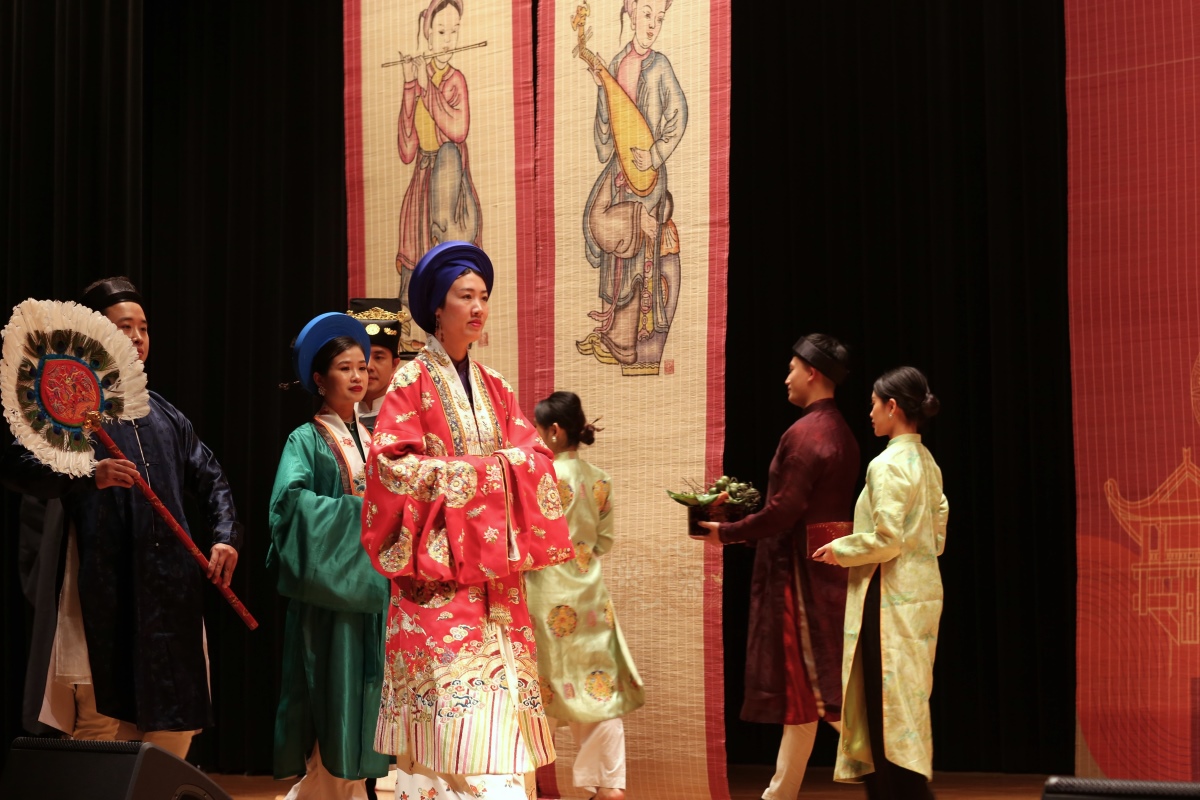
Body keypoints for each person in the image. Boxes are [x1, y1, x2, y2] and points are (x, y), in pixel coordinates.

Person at [361, 241, 574, 800]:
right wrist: (485, 474)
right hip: (433, 582)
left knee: (499, 734)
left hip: (496, 588)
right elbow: (391, 469)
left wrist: (485, 472)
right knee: (448, 731)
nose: (478, 307)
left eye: (483, 296)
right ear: (438, 308)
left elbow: (536, 459)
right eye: (464, 296)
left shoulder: (497, 386)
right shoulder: (409, 383)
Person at [0, 276, 242, 759]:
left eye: (143, 328)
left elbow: (211, 476)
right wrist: (89, 474)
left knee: (174, 724)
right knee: (98, 721)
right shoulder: (67, 411)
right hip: (103, 584)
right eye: (123, 327)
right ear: (95, 335)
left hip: (168, 589)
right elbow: (17, 466)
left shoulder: (167, 415)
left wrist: (225, 536)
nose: (136, 337)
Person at [695, 333, 861, 800]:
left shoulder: (807, 434)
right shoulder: (840, 431)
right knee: (806, 694)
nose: (786, 377)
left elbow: (784, 511)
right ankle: (779, 794)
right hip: (825, 567)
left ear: (812, 372)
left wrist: (727, 531)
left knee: (822, 690)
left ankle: (898, 776)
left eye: (792, 368)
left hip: (803, 578)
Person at [268, 313, 391, 799]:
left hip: (373, 593)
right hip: (330, 594)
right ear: (319, 379)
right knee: (333, 698)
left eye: (363, 366)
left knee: (369, 700)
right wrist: (363, 512)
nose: (358, 375)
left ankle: (347, 790)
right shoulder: (304, 440)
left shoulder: (375, 440)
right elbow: (289, 507)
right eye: (345, 368)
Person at [813, 366, 948, 800]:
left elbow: (887, 540)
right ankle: (903, 789)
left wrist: (840, 549)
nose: (870, 412)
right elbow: (937, 534)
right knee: (908, 699)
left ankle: (903, 792)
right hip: (922, 593)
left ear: (892, 406)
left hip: (888, 597)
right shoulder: (927, 462)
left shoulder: (887, 464)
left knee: (885, 703)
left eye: (874, 404)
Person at [526, 391, 645, 800]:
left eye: (539, 430)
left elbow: (524, 539)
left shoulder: (539, 478)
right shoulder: (599, 479)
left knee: (537, 689)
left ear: (554, 432)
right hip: (590, 597)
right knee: (598, 689)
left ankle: (526, 786)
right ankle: (609, 785)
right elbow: (604, 542)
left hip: (544, 594)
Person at [576, 0, 687, 376]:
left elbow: (678, 115)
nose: (653, 24)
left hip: (646, 179)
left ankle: (626, 343)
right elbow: (605, 140)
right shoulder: (617, 62)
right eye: (647, 15)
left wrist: (654, 155)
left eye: (660, 18)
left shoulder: (661, 67)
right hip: (619, 172)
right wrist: (602, 92)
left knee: (635, 258)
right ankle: (612, 334)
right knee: (605, 235)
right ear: (631, 13)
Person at [394, 0, 482, 330]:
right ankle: (410, 331)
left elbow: (457, 130)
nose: (448, 40)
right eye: (441, 31)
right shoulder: (419, 78)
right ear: (427, 33)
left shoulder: (455, 80)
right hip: (423, 178)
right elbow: (406, 149)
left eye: (453, 32)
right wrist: (409, 84)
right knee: (413, 245)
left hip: (449, 179)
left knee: (450, 254)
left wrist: (425, 86)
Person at [348, 298, 420, 433]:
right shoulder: (339, 418)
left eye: (378, 357)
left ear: (394, 364)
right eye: (363, 357)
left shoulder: (409, 416)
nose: (368, 366)